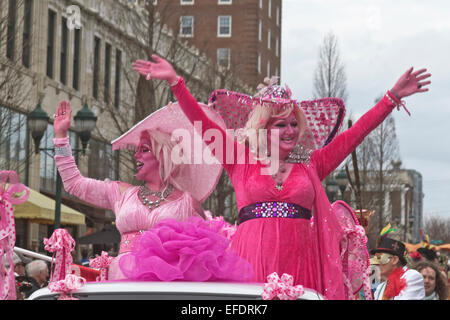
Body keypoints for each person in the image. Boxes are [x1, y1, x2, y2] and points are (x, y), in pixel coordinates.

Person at [132, 54, 431, 300]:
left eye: (293, 124)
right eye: (280, 125)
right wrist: (176, 82)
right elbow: (201, 123)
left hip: (301, 265)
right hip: (248, 263)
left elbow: (356, 134)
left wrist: (391, 98)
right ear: (263, 128)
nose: (289, 131)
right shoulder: (239, 160)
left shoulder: (313, 163)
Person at [52, 100, 251, 282]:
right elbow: (73, 184)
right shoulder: (122, 193)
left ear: (163, 155)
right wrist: (61, 137)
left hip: (165, 285)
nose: (136, 155)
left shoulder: (187, 202)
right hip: (123, 279)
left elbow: (204, 254)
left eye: (144, 149)